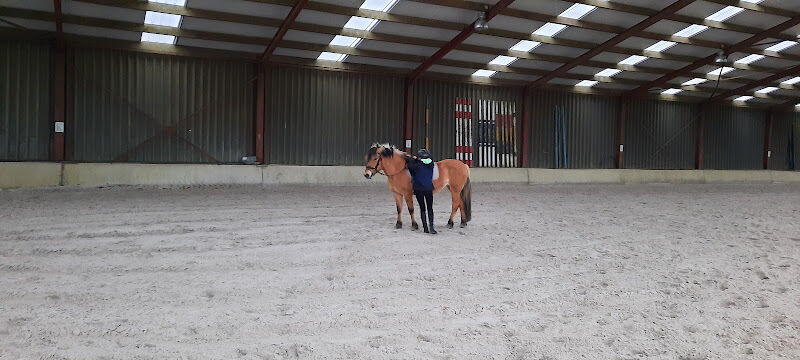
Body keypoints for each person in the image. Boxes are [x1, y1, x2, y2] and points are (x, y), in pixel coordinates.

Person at [406, 148, 436, 234]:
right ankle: (432, 227)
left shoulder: (415, 165)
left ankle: (425, 228)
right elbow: (429, 161)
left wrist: (413, 159)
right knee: (430, 208)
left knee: (422, 208)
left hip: (418, 189)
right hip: (428, 188)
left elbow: (409, 166)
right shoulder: (431, 164)